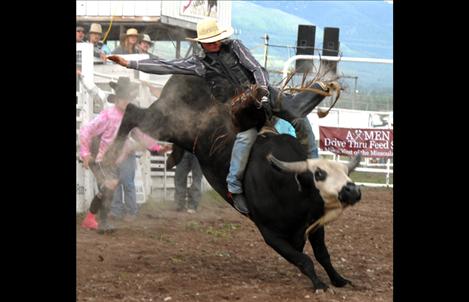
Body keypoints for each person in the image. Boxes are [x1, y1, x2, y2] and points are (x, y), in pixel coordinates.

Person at [107, 18, 331, 215]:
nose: (214, 43)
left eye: (215, 39)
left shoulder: (235, 47)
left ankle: (314, 166)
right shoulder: (200, 64)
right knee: (244, 142)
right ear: (202, 43)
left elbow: (256, 69)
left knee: (298, 117)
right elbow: (165, 65)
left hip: (261, 94)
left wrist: (262, 89)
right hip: (238, 108)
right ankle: (235, 189)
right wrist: (130, 63)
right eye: (209, 41)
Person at [78, 75, 170, 231]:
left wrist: (157, 148)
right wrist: (85, 153)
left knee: (108, 189)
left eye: (127, 98)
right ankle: (100, 221)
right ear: (117, 99)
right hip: (100, 157)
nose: (125, 102)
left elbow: (141, 135)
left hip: (113, 159)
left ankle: (92, 219)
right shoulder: (107, 115)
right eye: (123, 98)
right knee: (110, 185)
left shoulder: (130, 117)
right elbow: (86, 130)